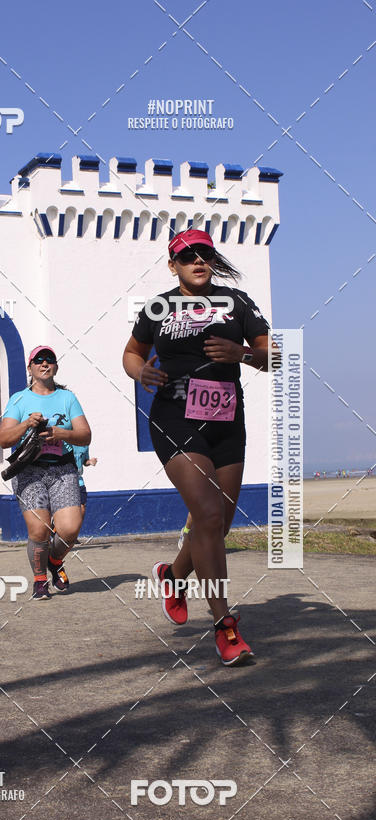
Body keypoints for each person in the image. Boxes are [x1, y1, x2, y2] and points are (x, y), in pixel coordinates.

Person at [122, 229, 272, 665]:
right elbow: (132, 353)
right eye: (186, 256)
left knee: (218, 525)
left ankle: (173, 575)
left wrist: (240, 353)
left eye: (204, 253)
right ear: (173, 266)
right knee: (206, 515)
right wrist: (139, 374)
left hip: (227, 418)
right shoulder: (157, 307)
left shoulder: (238, 303)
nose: (197, 260)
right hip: (174, 416)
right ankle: (224, 625)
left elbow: (276, 356)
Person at [0, 345, 91, 599]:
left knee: (70, 528)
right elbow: (4, 439)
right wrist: (27, 423)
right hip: (29, 471)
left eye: (49, 359)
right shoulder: (19, 399)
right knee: (39, 531)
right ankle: (40, 581)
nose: (44, 363)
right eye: (38, 360)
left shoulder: (67, 398)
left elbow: (85, 435)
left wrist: (62, 433)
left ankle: (54, 559)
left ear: (56, 367)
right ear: (30, 368)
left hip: (62, 469)